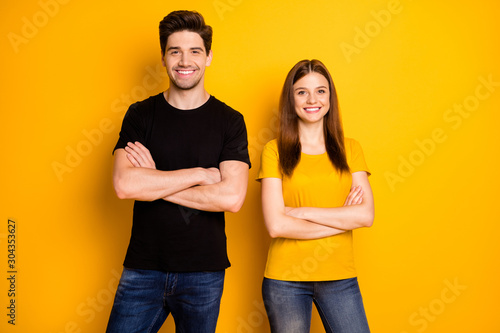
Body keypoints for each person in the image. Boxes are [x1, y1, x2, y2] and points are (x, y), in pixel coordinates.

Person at [106, 10, 251, 333]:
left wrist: (155, 179)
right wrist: (200, 173)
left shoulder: (230, 120)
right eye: (175, 51)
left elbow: (232, 197)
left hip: (204, 273)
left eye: (195, 51)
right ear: (163, 58)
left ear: (209, 57)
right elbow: (124, 185)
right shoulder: (140, 115)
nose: (185, 61)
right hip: (143, 268)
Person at [257, 59, 374, 333]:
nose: (312, 99)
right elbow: (276, 225)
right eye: (302, 92)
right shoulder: (274, 151)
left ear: (330, 98)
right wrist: (342, 218)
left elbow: (365, 216)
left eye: (321, 91)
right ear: (291, 99)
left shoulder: (351, 149)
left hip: (340, 277)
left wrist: (302, 212)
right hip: (284, 280)